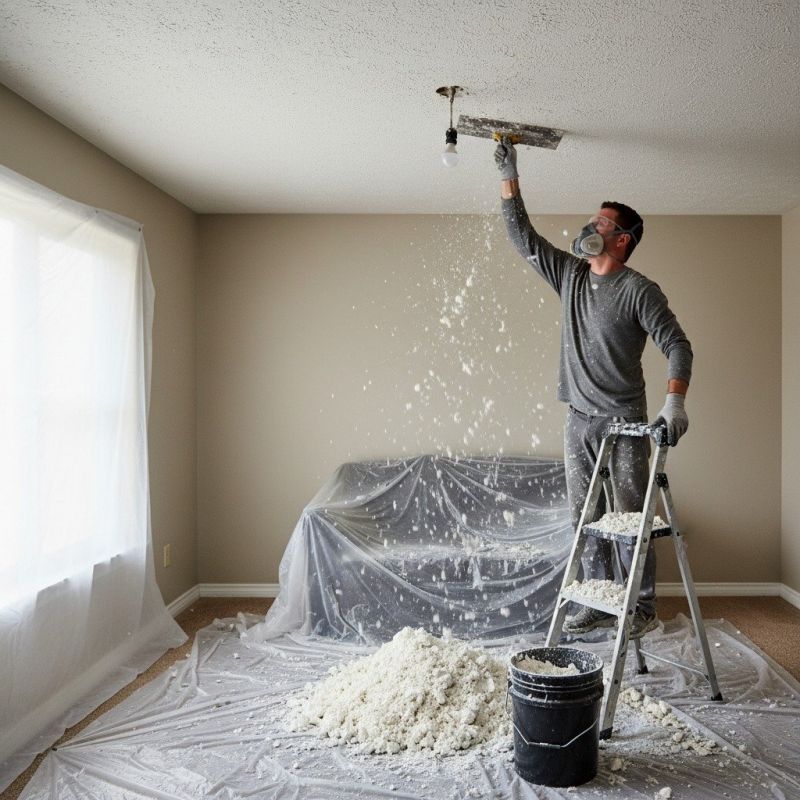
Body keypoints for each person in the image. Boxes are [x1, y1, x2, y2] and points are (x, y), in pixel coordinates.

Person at [494, 136, 693, 638]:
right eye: (594, 220)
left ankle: (640, 607)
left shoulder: (640, 291)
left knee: (629, 516)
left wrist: (674, 404)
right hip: (578, 419)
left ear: (622, 238)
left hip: (626, 423)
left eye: (601, 223)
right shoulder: (570, 275)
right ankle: (599, 602)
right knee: (585, 516)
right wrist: (509, 177)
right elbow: (523, 238)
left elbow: (678, 346)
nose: (590, 226)